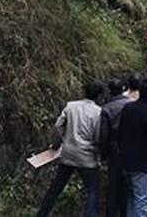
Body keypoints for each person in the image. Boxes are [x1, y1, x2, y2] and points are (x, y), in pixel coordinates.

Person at [37, 81, 105, 217]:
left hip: (68, 152)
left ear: (84, 92)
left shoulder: (71, 106)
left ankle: (42, 213)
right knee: (92, 190)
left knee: (56, 187)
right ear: (99, 96)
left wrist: (61, 141)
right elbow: (99, 136)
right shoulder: (98, 112)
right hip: (87, 156)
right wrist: (98, 150)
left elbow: (58, 125)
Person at [119, 78, 147, 217]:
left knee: (131, 195)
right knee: (142, 197)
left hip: (126, 157)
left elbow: (120, 132)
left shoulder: (128, 107)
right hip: (143, 160)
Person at [102, 79, 132, 217]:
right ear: (123, 88)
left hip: (114, 147)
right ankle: (125, 212)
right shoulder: (131, 104)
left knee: (113, 183)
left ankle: (110, 212)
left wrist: (103, 154)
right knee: (127, 182)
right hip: (129, 145)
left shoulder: (107, 108)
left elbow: (103, 134)